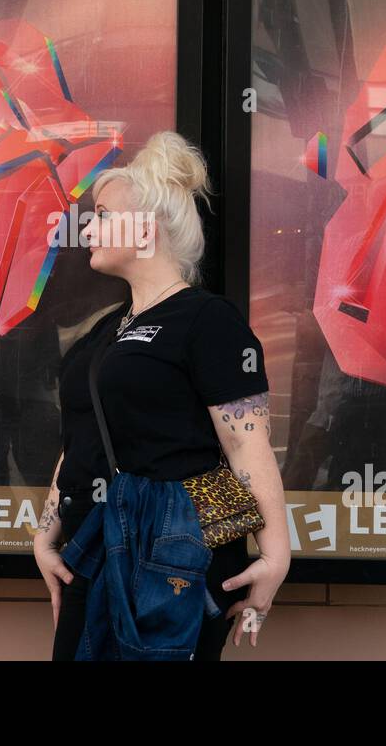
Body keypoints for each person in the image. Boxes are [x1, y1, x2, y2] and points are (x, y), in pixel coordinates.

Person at [33, 131, 291, 659]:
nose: (89, 228)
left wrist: (275, 555)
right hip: (92, 548)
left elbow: (245, 445)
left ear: (145, 230)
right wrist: (46, 534)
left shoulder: (207, 319)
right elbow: (79, 437)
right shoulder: (105, 331)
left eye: (103, 214)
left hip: (173, 552)